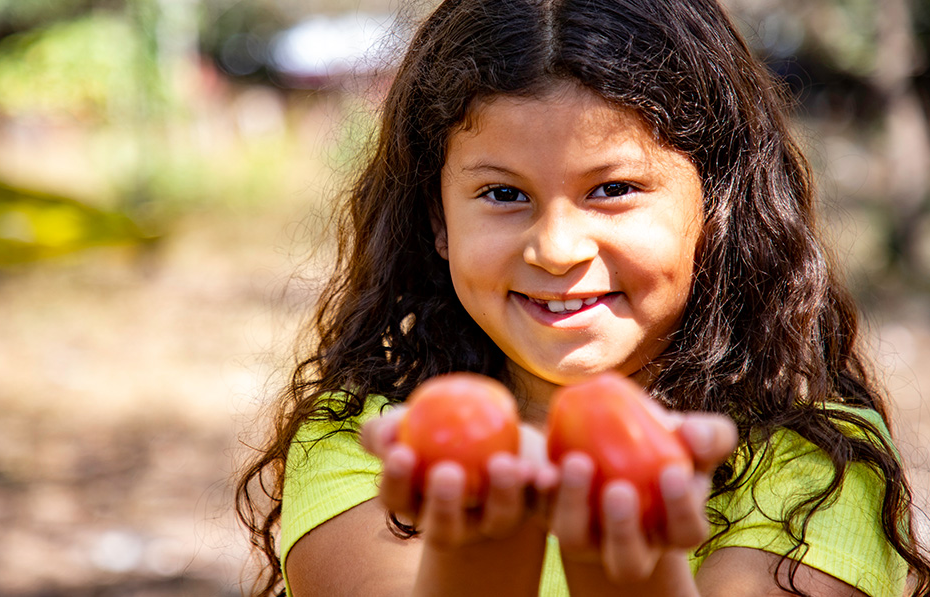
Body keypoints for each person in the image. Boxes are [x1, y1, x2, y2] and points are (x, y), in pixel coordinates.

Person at [235, 0, 930, 595]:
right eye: (503, 194)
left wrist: (617, 544)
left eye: (612, 189)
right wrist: (483, 537)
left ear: (716, 205)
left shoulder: (815, 466)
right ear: (437, 219)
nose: (557, 247)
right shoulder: (362, 443)